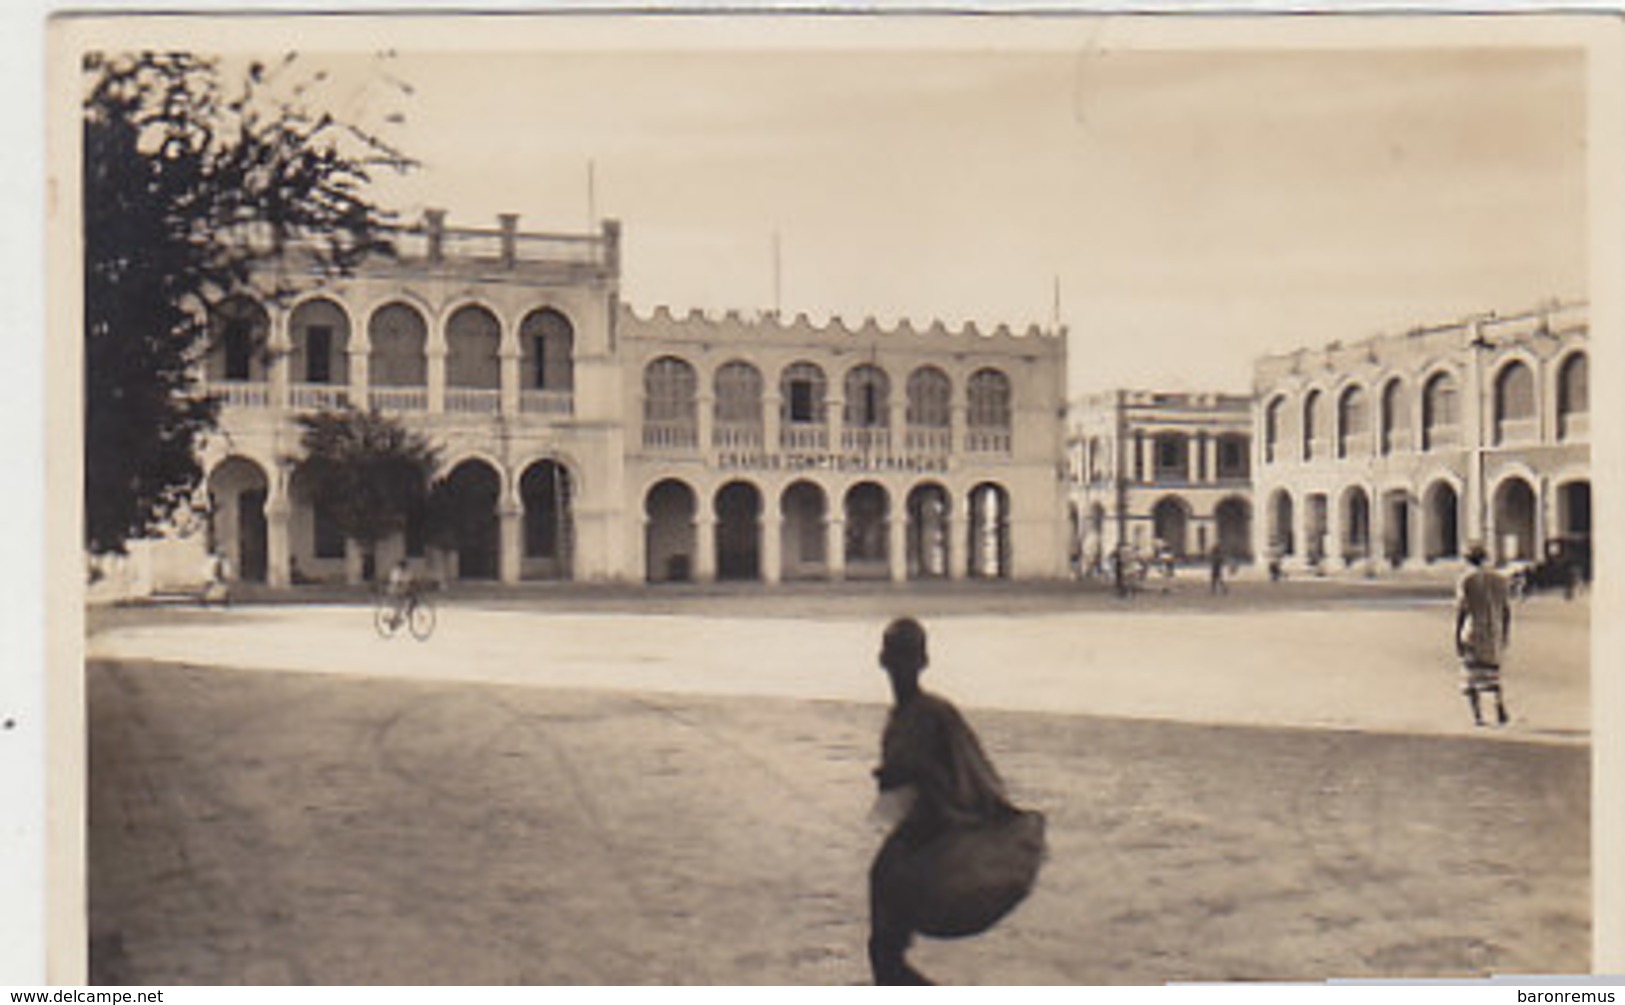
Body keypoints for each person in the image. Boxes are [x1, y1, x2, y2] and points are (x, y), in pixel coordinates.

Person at [867, 618, 1034, 985]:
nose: (901, 666)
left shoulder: (934, 713)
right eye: (896, 656)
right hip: (910, 836)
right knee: (884, 952)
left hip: (932, 834)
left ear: (921, 662)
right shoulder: (901, 717)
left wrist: (914, 775)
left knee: (885, 953)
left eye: (907, 657)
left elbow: (964, 774)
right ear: (884, 660)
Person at [1455, 542, 1512, 727]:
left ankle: (1478, 716)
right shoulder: (1500, 578)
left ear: (1467, 559)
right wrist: (1504, 633)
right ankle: (1499, 706)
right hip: (1493, 632)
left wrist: (1456, 635)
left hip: (1473, 631)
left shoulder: (1466, 579)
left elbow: (1462, 610)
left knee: (1471, 678)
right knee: (1493, 672)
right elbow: (1506, 610)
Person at [384, 558, 417, 629]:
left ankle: (401, 618)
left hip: (400, 590)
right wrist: (403, 583)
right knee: (402, 604)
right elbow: (396, 582)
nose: (406, 568)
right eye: (405, 567)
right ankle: (395, 620)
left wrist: (410, 584)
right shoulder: (397, 572)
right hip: (397, 590)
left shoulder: (402, 571)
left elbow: (410, 580)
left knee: (411, 601)